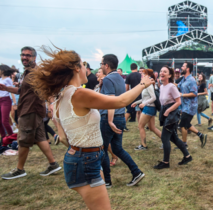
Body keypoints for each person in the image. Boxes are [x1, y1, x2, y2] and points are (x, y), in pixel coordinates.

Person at [27, 46, 153, 210]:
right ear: (76, 68)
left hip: (81, 159)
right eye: (83, 65)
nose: (88, 69)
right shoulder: (78, 94)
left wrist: (79, 151)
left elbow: (63, 138)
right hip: (85, 160)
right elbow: (120, 102)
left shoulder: (61, 96)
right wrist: (143, 84)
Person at [1, 46, 61, 180]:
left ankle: (19, 169)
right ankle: (53, 164)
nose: (24, 57)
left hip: (30, 110)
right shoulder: (27, 72)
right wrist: (6, 88)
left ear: (34, 57)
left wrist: (51, 103)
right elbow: (22, 91)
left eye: (28, 55)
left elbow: (47, 88)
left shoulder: (36, 72)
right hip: (31, 110)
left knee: (23, 140)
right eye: (23, 55)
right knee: (40, 138)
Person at [99, 54, 146, 188]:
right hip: (120, 116)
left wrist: (109, 121)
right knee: (117, 149)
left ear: (106, 65)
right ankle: (136, 172)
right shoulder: (120, 78)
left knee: (102, 150)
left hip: (110, 118)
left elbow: (111, 101)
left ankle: (106, 181)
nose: (101, 66)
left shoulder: (108, 79)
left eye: (101, 64)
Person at [153, 65, 192, 169]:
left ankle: (165, 162)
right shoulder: (162, 86)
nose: (162, 73)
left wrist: (168, 110)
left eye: (165, 72)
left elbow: (178, 102)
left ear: (169, 75)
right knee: (174, 138)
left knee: (165, 137)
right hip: (166, 113)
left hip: (172, 115)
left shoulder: (172, 86)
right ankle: (187, 156)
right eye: (161, 71)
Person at [177, 62, 207, 148]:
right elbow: (177, 86)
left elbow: (194, 93)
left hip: (190, 107)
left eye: (183, 66)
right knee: (186, 124)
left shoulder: (192, 80)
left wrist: (182, 95)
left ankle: (184, 144)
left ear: (187, 69)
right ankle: (201, 135)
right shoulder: (184, 79)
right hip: (185, 106)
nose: (181, 68)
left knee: (182, 125)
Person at [132, 69, 162, 150]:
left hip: (149, 108)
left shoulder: (149, 85)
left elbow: (153, 97)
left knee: (140, 126)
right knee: (152, 128)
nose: (141, 74)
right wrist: (137, 102)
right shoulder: (146, 84)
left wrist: (144, 104)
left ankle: (143, 145)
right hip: (149, 107)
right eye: (142, 73)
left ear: (148, 75)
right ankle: (165, 141)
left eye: (143, 73)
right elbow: (146, 98)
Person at [0, 65, 14, 140]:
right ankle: (4, 139)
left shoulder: (8, 79)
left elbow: (11, 90)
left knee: (4, 121)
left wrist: (14, 103)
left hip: (5, 100)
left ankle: (12, 138)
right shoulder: (0, 79)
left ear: (3, 70)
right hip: (0, 100)